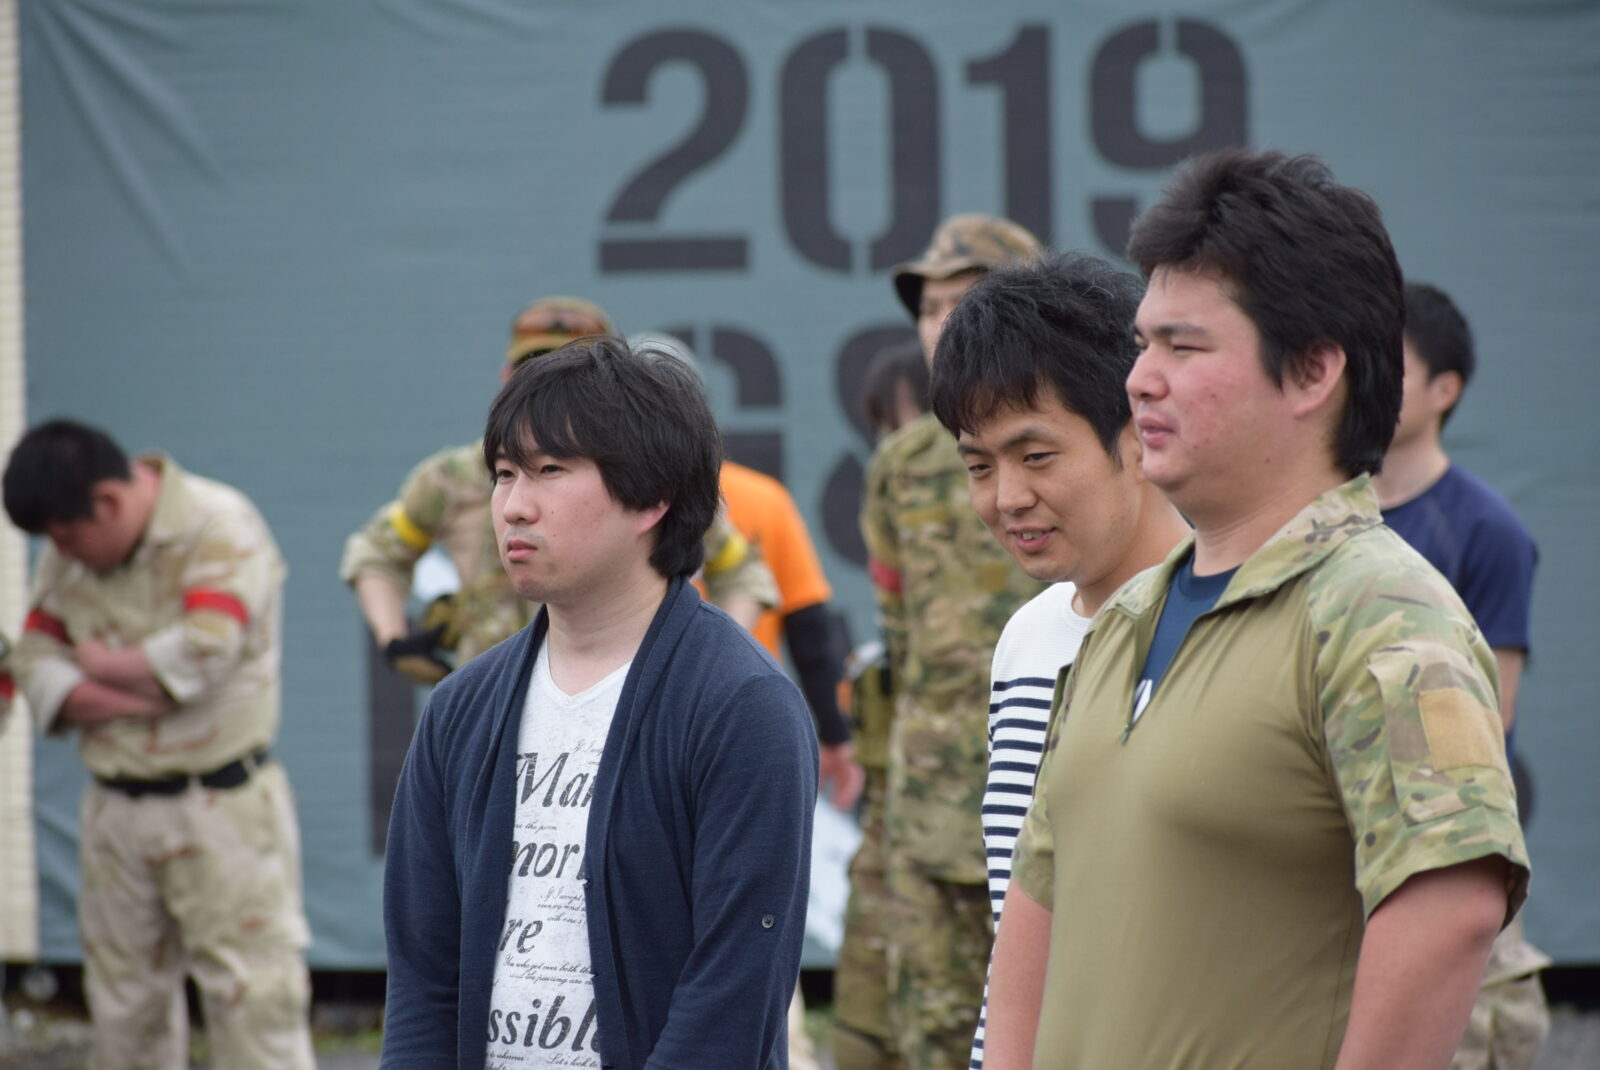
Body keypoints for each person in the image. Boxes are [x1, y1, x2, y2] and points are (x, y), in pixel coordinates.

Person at [986, 149, 1530, 1070]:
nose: (1140, 379)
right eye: (1143, 344)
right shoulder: (1121, 620)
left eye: (1183, 347)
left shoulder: (1382, 610)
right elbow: (1039, 904)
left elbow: (1452, 909)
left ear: (1314, 370)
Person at [379, 338, 818, 1070]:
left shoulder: (742, 707)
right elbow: (424, 981)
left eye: (550, 471)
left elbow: (731, 996)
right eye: (504, 474)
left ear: (652, 496)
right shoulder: (460, 710)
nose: (514, 506)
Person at [927, 252, 1191, 1070]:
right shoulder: (1028, 636)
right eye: (979, 466)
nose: (1006, 497)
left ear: (1139, 437)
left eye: (1036, 456)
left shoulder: (1231, 627)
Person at [3, 419, 313, 1070]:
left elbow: (204, 656)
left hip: (220, 807)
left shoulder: (217, 524)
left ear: (108, 502)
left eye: (67, 537)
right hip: (114, 812)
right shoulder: (70, 550)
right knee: (125, 1013)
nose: (62, 553)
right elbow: (33, 661)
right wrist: (147, 693)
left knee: (253, 1005)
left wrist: (96, 665)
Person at [846, 214, 1045, 1070]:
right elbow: (898, 643)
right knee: (933, 1037)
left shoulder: (1094, 442)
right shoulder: (900, 467)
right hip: (929, 806)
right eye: (929, 310)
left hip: (1051, 796)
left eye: (964, 303)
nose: (941, 325)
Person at [340, 296, 775, 684]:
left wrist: (708, 662)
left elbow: (743, 572)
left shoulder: (638, 480)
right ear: (506, 377)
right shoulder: (452, 478)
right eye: (504, 475)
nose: (515, 507)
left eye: (570, 371)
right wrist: (395, 638)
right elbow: (377, 551)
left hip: (623, 690)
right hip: (492, 704)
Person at [1374, 281, 1549, 1069]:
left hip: (1442, 843)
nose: (1369, 378)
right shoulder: (1323, 514)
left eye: (1393, 364)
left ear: (1445, 390)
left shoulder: (1487, 530)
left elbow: (1492, 713)